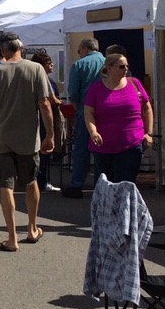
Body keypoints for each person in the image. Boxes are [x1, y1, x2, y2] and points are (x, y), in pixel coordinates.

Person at [0, 36, 53, 252]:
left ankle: (12, 237)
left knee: (6, 185)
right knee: (31, 181)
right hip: (28, 138)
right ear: (21, 48)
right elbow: (45, 103)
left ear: (2, 50)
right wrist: (50, 134)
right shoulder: (36, 69)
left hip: (2, 136)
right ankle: (32, 228)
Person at [83, 52, 153, 185]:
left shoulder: (135, 83)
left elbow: (147, 108)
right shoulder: (96, 89)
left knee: (126, 185)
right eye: (121, 66)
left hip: (131, 144)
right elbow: (88, 113)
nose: (126, 69)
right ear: (108, 68)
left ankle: (125, 207)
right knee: (106, 186)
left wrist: (148, 133)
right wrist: (93, 131)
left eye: (127, 66)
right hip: (103, 145)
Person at [64, 37, 105, 198]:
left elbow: (73, 92)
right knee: (102, 149)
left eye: (79, 50)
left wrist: (76, 105)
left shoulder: (79, 65)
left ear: (85, 49)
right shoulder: (108, 62)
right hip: (106, 110)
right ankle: (101, 185)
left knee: (81, 149)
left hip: (85, 109)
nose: (78, 53)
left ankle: (77, 185)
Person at [29, 51, 64, 192]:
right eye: (49, 63)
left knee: (42, 153)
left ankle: (40, 180)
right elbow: (49, 101)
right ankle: (42, 182)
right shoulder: (44, 81)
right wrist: (59, 102)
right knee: (44, 152)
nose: (53, 65)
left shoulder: (47, 81)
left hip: (41, 120)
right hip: (42, 120)